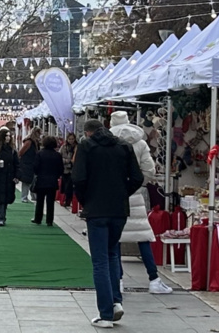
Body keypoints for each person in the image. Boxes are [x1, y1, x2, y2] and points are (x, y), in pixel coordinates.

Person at [73, 118, 144, 327]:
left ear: (88, 132)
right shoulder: (124, 146)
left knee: (100, 261)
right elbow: (138, 177)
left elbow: (78, 178)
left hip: (96, 210)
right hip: (118, 210)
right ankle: (115, 302)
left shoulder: (86, 146)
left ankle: (105, 313)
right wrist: (123, 193)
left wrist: (86, 199)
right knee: (113, 254)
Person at [110, 111, 172, 295]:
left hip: (114, 195)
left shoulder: (108, 142)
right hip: (135, 194)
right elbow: (149, 169)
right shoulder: (140, 143)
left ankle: (118, 279)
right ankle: (154, 279)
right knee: (143, 237)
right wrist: (138, 183)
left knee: (116, 239)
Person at [31, 135, 64, 226]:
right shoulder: (57, 155)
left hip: (41, 180)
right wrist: (56, 176)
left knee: (40, 201)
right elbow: (60, 169)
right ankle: (49, 220)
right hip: (52, 181)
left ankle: (38, 218)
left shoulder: (39, 154)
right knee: (50, 202)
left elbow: (35, 167)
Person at [17, 127, 40, 203]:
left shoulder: (34, 142)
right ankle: (24, 197)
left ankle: (32, 196)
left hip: (31, 164)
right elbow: (21, 152)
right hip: (27, 164)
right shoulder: (29, 142)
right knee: (26, 181)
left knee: (32, 181)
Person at [60, 132, 78, 206]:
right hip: (65, 169)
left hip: (73, 169)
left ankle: (68, 201)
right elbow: (60, 157)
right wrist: (67, 161)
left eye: (72, 139)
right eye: (70, 139)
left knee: (69, 186)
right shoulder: (64, 147)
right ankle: (66, 200)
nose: (71, 140)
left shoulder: (77, 147)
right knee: (65, 186)